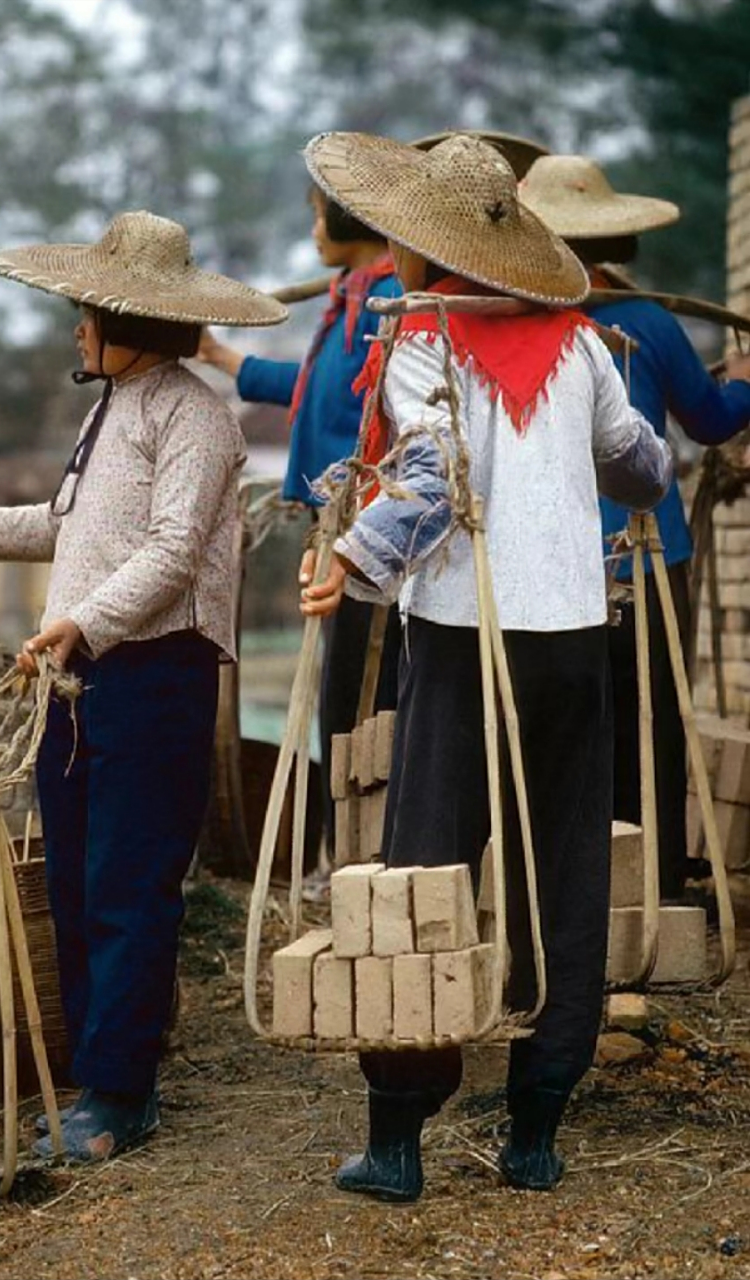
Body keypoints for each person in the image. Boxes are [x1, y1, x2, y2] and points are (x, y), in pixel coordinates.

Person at [298, 131, 673, 1200]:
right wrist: (621, 456)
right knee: (564, 869)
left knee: (426, 869)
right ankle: (536, 1127)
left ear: (427, 250)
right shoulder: (584, 343)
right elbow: (641, 467)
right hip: (568, 638)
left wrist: (351, 562)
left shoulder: (422, 343)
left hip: (465, 644)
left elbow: (426, 476)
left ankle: (398, 1138)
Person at [0, 211, 286, 1162]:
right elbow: (71, 528)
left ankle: (121, 1093)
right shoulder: (111, 404)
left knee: (127, 883)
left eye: (87, 315)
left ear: (131, 326)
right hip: (82, 680)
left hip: (154, 676)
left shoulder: (194, 413)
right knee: (72, 880)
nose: (76, 330)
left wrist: (84, 625)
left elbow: (173, 551)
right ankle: (95, 1074)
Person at [520, 155, 750, 902]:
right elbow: (710, 423)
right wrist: (743, 379)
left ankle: (577, 885)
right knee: (651, 719)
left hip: (554, 564)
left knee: (568, 723)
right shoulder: (647, 323)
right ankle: (655, 884)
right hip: (647, 557)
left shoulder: (525, 324)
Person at [197, 186, 403, 863]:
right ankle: (339, 854)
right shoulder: (347, 292)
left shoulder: (392, 297)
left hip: (376, 529)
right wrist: (222, 358)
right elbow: (318, 387)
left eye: (320, 214)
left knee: (365, 695)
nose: (313, 229)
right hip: (332, 522)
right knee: (336, 696)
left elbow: (376, 400)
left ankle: (366, 853)